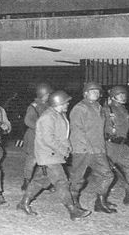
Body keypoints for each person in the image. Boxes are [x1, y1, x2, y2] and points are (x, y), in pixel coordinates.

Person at [16, 90, 91, 220]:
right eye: (66, 102)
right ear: (58, 103)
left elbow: (62, 135)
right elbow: (48, 139)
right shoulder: (47, 117)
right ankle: (72, 210)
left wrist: (68, 147)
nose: (68, 104)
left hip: (54, 155)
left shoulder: (59, 115)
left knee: (41, 181)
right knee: (62, 181)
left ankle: (23, 203)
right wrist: (63, 149)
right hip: (48, 155)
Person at [69, 81, 116, 214]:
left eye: (97, 91)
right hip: (83, 149)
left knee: (107, 175)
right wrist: (84, 148)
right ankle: (74, 204)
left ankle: (100, 202)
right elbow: (77, 130)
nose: (96, 93)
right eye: (92, 91)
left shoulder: (99, 107)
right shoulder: (79, 108)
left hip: (98, 149)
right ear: (85, 94)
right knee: (77, 178)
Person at [21, 82, 52, 191]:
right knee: (32, 160)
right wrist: (41, 128)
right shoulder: (33, 107)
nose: (49, 96)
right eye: (47, 94)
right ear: (42, 94)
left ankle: (46, 182)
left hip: (45, 138)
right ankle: (26, 181)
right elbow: (28, 121)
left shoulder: (49, 106)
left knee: (46, 159)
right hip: (34, 137)